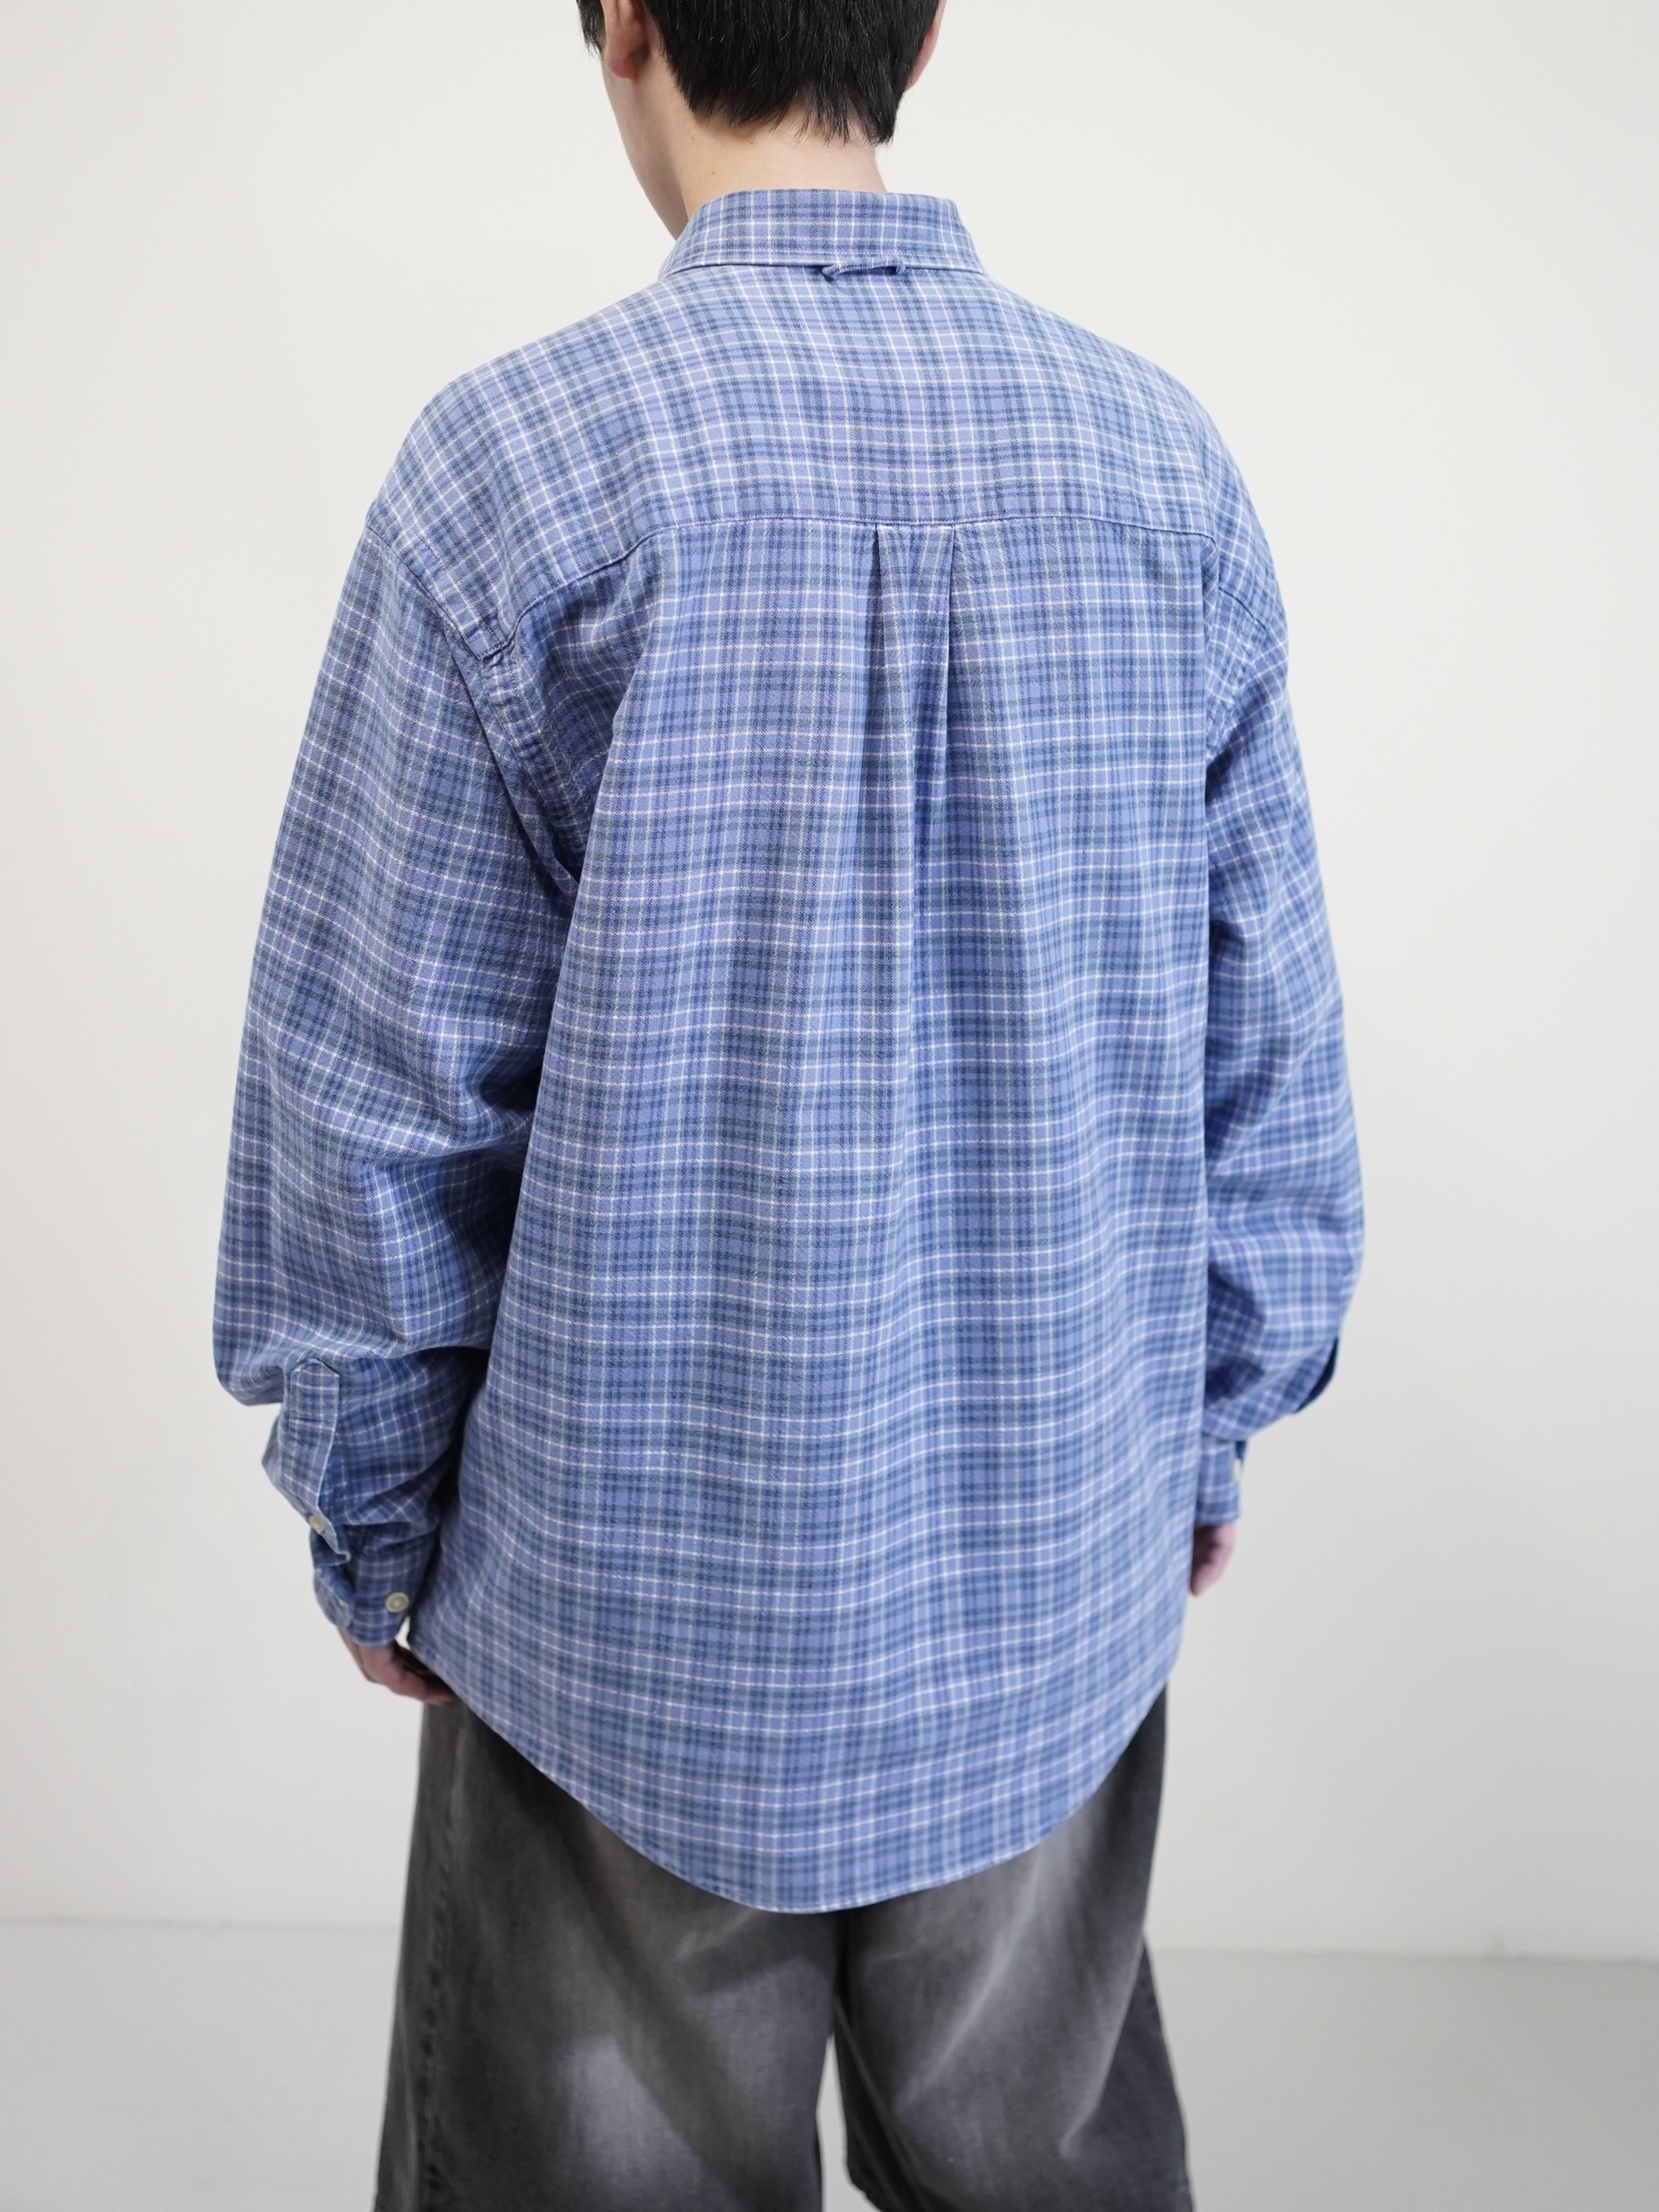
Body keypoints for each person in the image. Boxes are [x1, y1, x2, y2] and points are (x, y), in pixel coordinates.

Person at [215, 1, 1363, 2203]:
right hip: (1051, 1575)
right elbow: (1272, 1055)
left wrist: (372, 1511)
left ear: (624, 21)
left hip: (615, 1618)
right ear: (920, 29)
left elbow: (377, 1079)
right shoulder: (1158, 467)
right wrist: (1205, 1425)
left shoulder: (513, 470)